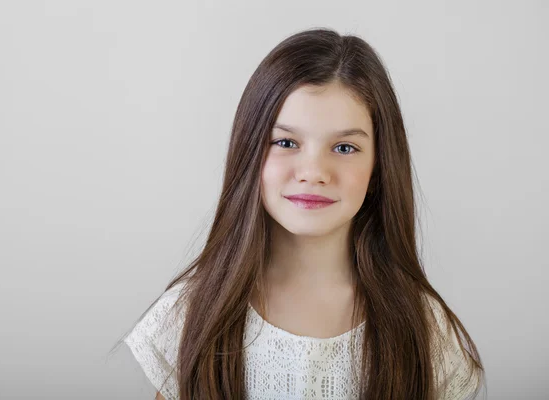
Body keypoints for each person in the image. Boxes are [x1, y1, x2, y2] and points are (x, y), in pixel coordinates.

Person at [110, 27, 486, 399]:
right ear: (250, 153)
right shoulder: (190, 314)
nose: (314, 173)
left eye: (344, 148)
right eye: (286, 142)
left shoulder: (424, 327)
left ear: (378, 169)